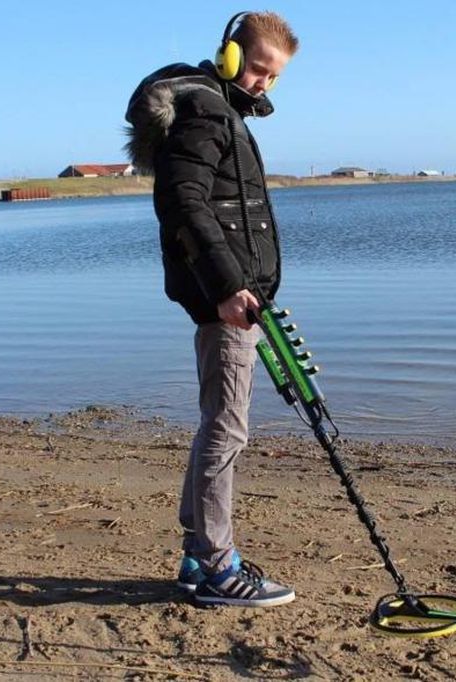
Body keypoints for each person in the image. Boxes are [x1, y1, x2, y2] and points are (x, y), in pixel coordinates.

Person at [124, 12, 299, 607]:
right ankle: (220, 567)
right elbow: (183, 203)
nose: (263, 85)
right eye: (257, 69)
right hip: (224, 302)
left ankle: (199, 556)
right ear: (229, 56)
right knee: (227, 427)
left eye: (274, 77)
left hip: (236, 298)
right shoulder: (204, 115)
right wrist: (227, 286)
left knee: (218, 424)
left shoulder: (221, 113)